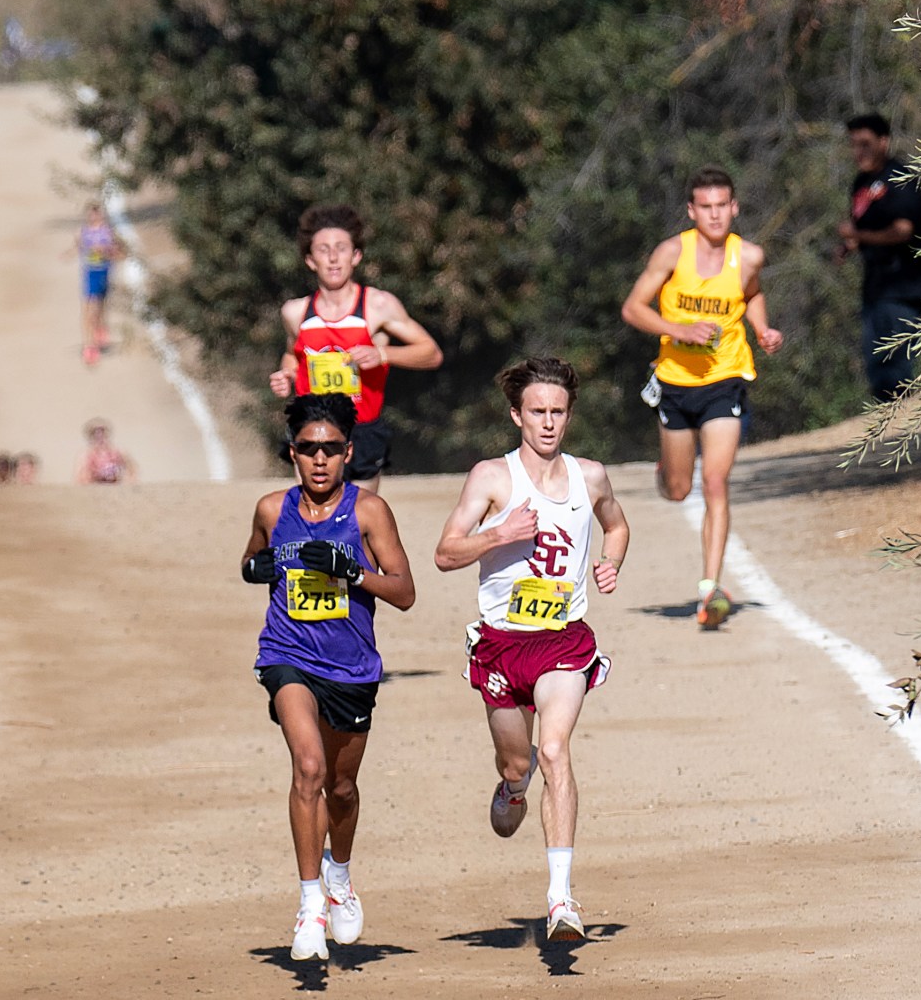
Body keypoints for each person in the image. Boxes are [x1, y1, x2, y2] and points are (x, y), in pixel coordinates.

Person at [434, 357, 628, 944]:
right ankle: (512, 787)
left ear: (569, 416)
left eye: (558, 412)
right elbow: (445, 553)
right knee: (519, 763)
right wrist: (500, 534)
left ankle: (561, 899)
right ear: (516, 414)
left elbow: (616, 525)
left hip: (564, 642)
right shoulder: (492, 477)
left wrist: (609, 564)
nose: (548, 423)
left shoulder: (590, 476)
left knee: (553, 749)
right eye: (537, 412)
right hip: (501, 645)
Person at [242, 392, 416, 961]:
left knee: (340, 787)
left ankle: (338, 875)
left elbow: (405, 592)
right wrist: (256, 568)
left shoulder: (368, 513)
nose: (320, 460)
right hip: (287, 655)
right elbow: (250, 560)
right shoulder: (272, 509)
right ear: (292, 453)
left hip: (352, 667)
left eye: (332, 449)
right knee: (309, 768)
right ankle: (310, 902)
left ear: (349, 453)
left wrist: (354, 573)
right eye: (308, 449)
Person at [620, 166, 783, 629]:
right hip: (674, 381)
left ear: (734, 208)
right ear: (692, 211)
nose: (715, 215)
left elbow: (752, 292)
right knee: (678, 490)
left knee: (715, 481)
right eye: (705, 207)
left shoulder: (748, 255)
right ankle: (668, 471)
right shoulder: (673, 252)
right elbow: (633, 308)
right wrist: (679, 329)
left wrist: (762, 329)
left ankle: (710, 590)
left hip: (726, 379)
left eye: (722, 206)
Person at [268, 204, 443, 493]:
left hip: (361, 431)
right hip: (312, 429)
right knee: (312, 516)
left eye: (341, 248)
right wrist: (285, 376)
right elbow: (292, 355)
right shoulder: (295, 312)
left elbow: (431, 353)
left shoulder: (378, 306)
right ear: (310, 260)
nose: (334, 258)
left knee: (359, 520)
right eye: (324, 250)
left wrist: (383, 354)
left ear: (356, 256)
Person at [836, 113, 921, 403]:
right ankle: (886, 436)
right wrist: (851, 244)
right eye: (854, 145)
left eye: (865, 144)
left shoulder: (899, 178)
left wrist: (860, 236)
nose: (859, 152)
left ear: (883, 142)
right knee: (877, 370)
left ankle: (905, 436)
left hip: (902, 287)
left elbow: (903, 231)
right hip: (875, 288)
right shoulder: (861, 183)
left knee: (897, 370)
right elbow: (863, 229)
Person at [65, 202, 127, 365]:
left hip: (104, 272)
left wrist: (108, 252)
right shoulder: (82, 232)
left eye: (98, 214)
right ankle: (89, 345)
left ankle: (99, 329)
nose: (95, 217)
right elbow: (78, 248)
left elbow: (120, 253)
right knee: (89, 311)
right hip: (90, 274)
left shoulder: (109, 232)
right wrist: (69, 254)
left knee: (100, 307)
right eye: (92, 214)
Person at [75, 419, 135, 484]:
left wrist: (126, 483)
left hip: (115, 487)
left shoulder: (118, 452)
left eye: (102, 432)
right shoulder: (87, 456)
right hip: (96, 488)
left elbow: (132, 470)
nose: (100, 436)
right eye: (95, 433)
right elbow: (81, 478)